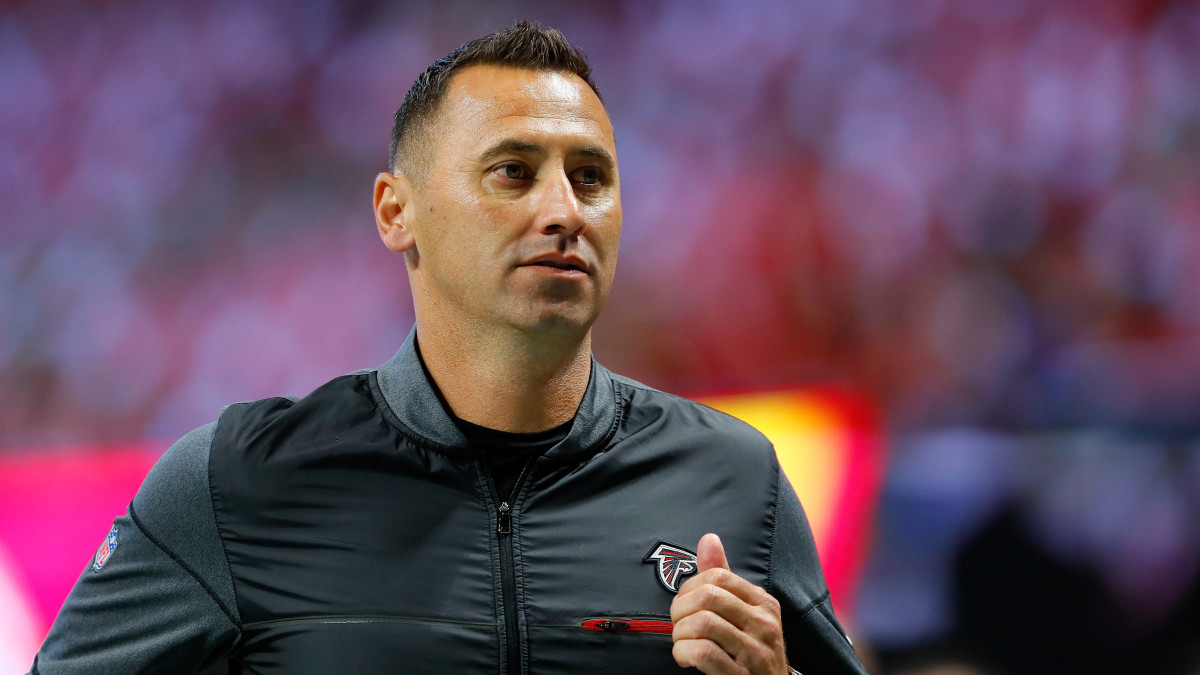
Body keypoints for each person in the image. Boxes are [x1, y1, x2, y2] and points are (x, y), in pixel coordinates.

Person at [30, 22, 867, 675]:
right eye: (513, 171)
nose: (564, 211)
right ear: (397, 212)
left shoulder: (736, 479)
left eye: (591, 177)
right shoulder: (235, 481)